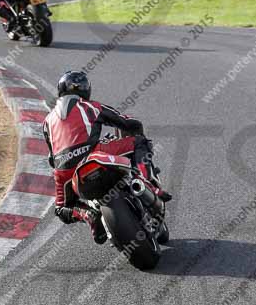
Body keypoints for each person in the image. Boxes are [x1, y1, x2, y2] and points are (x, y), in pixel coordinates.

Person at [43, 71, 170, 244]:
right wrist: (136, 128)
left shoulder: (47, 121)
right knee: (139, 142)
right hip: (93, 154)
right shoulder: (90, 107)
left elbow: (51, 158)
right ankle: (148, 184)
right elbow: (125, 122)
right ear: (86, 90)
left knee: (62, 208)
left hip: (64, 171)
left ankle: (88, 215)